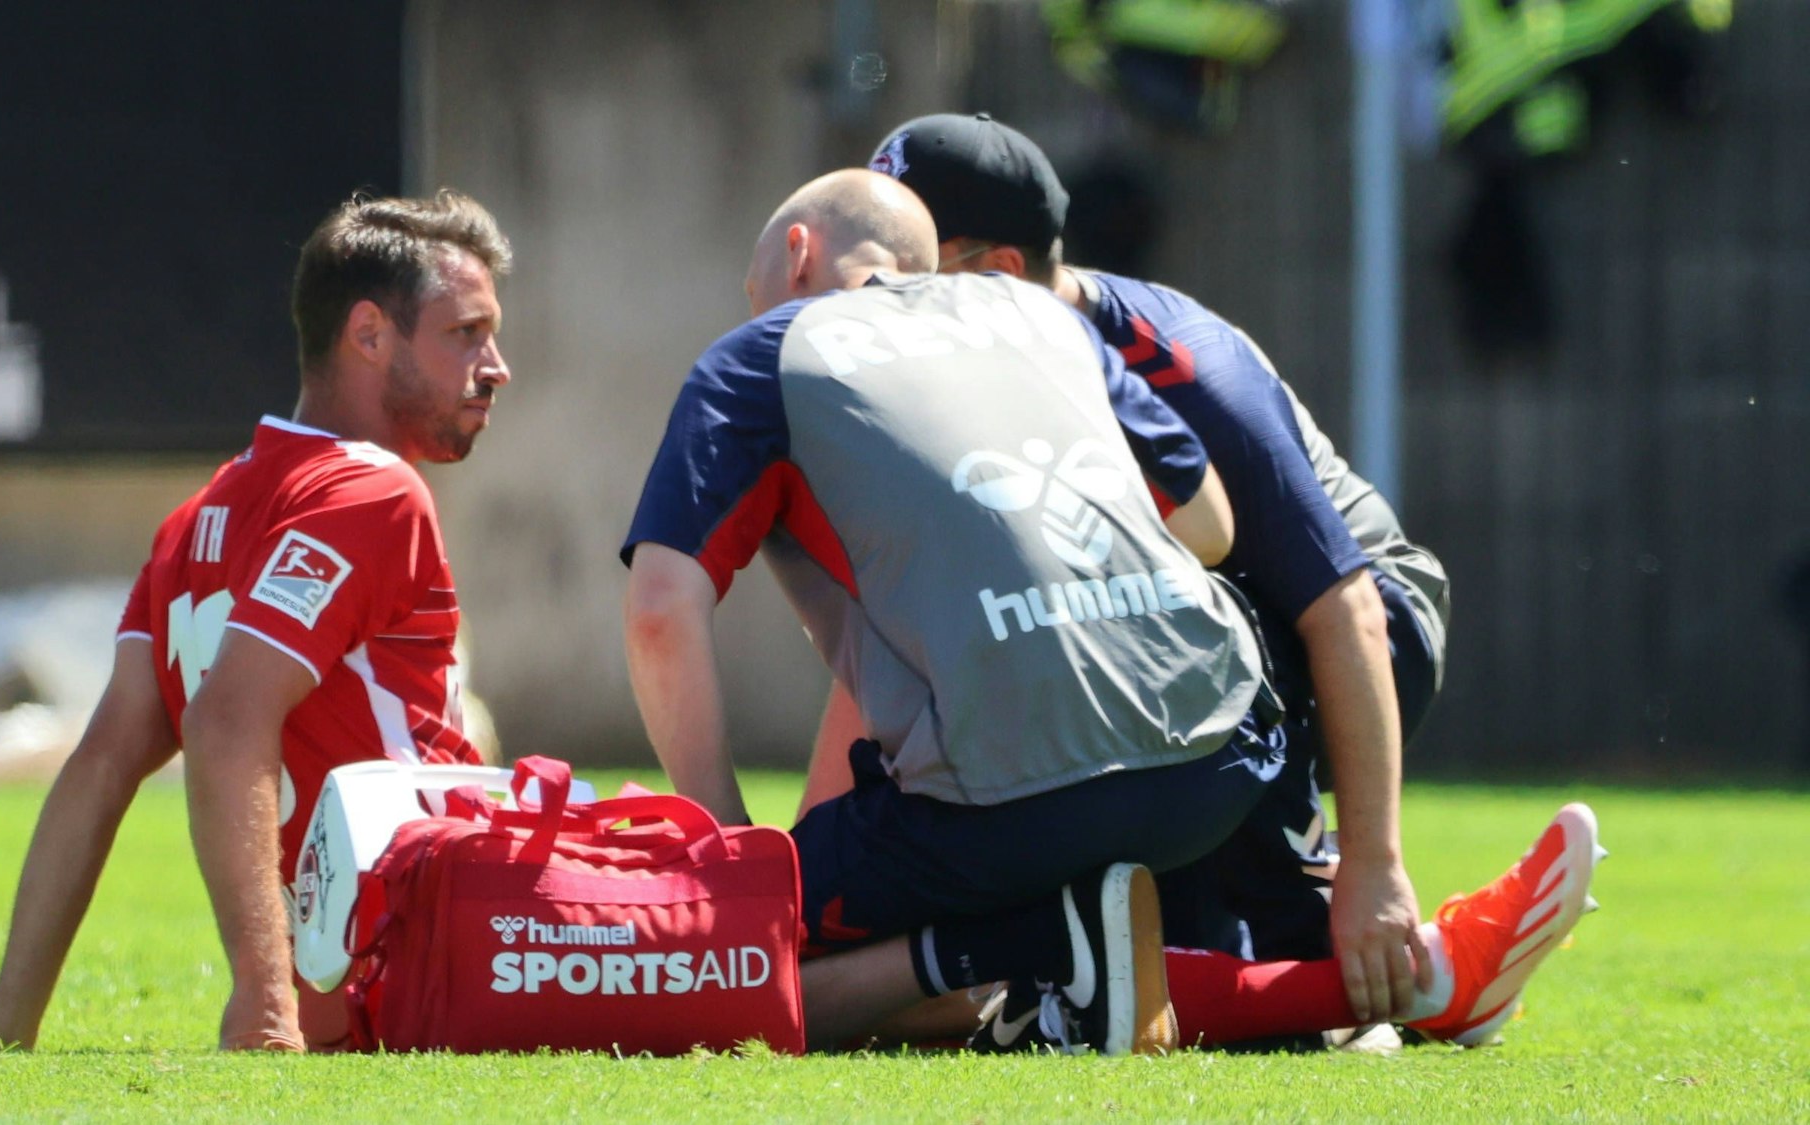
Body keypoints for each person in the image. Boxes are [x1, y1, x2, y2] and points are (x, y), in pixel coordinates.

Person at [621, 169, 1592, 1054]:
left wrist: (726, 855)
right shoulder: (1043, 319)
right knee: (1100, 969)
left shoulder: (765, 355)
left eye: (754, 290)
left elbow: (661, 607)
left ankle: (1009, 943)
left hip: (1005, 798)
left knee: (730, 969)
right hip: (1215, 762)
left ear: (794, 256)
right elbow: (1208, 524)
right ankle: (1423, 978)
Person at [863, 113, 1453, 1017]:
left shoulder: (1185, 365)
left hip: (1369, 620)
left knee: (1141, 614)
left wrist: (1379, 868)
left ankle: (1325, 925)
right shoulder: (959, 373)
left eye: (905, 268)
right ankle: (1278, 966)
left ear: (995, 273)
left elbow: (1347, 610)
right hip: (1210, 629)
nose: (874, 301)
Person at [0, 189, 513, 1053]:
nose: (495, 364)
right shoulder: (374, 490)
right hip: (431, 982)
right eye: (467, 332)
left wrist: (4, 1034)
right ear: (371, 335)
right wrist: (266, 1004)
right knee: (713, 933)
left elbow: (99, 766)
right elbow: (229, 721)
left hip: (367, 996)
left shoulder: (196, 520)